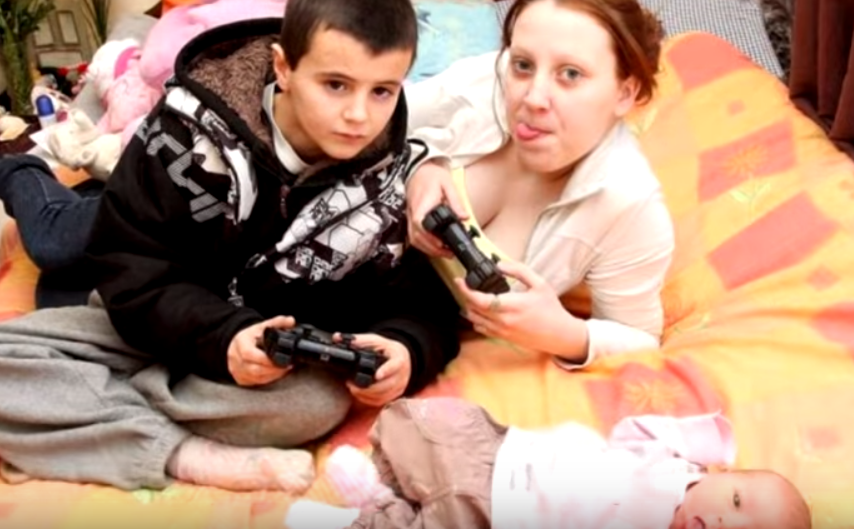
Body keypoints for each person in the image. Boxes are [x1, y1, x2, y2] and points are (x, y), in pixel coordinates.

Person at [0, 0, 460, 494]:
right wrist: (225, 339)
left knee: (314, 404)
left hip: (263, 366)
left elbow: (426, 307)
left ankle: (103, 405)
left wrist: (407, 350)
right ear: (283, 67)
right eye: (335, 85)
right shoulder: (182, 132)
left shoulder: (394, 180)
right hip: (156, 319)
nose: (358, 115)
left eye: (382, 91)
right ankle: (177, 450)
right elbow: (131, 271)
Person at [402, 0, 676, 369]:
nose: (532, 97)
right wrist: (420, 164)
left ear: (626, 93)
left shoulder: (629, 205)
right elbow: (374, 116)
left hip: (406, 327)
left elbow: (640, 337)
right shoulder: (489, 80)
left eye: (571, 74)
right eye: (523, 65)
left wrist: (563, 333)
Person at [284, 398, 812, 529]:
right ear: (720, 475)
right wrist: (698, 439)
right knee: (436, 424)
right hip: (511, 456)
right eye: (736, 501)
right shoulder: (672, 462)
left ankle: (367, 516)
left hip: (501, 517)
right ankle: (388, 483)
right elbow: (631, 431)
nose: (723, 521)